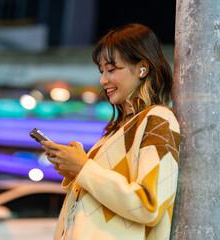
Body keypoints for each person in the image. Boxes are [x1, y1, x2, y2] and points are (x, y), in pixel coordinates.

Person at [41, 23, 180, 240]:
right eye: (102, 71)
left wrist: (83, 167)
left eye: (111, 70)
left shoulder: (158, 119)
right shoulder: (119, 129)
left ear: (143, 68)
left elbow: (148, 204)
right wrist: (75, 170)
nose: (103, 80)